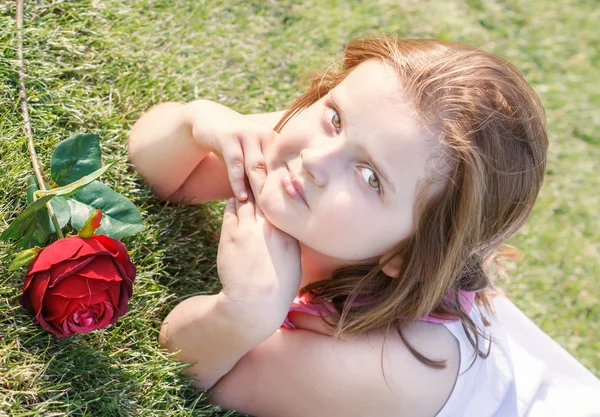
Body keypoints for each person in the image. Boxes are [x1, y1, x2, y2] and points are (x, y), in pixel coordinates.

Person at [127, 37, 600, 417]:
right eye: (335, 115)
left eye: (371, 178)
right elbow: (163, 170)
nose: (315, 159)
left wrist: (243, 314)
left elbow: (196, 371)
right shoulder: (327, 150)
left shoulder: (387, 371)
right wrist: (197, 121)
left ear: (404, 254)